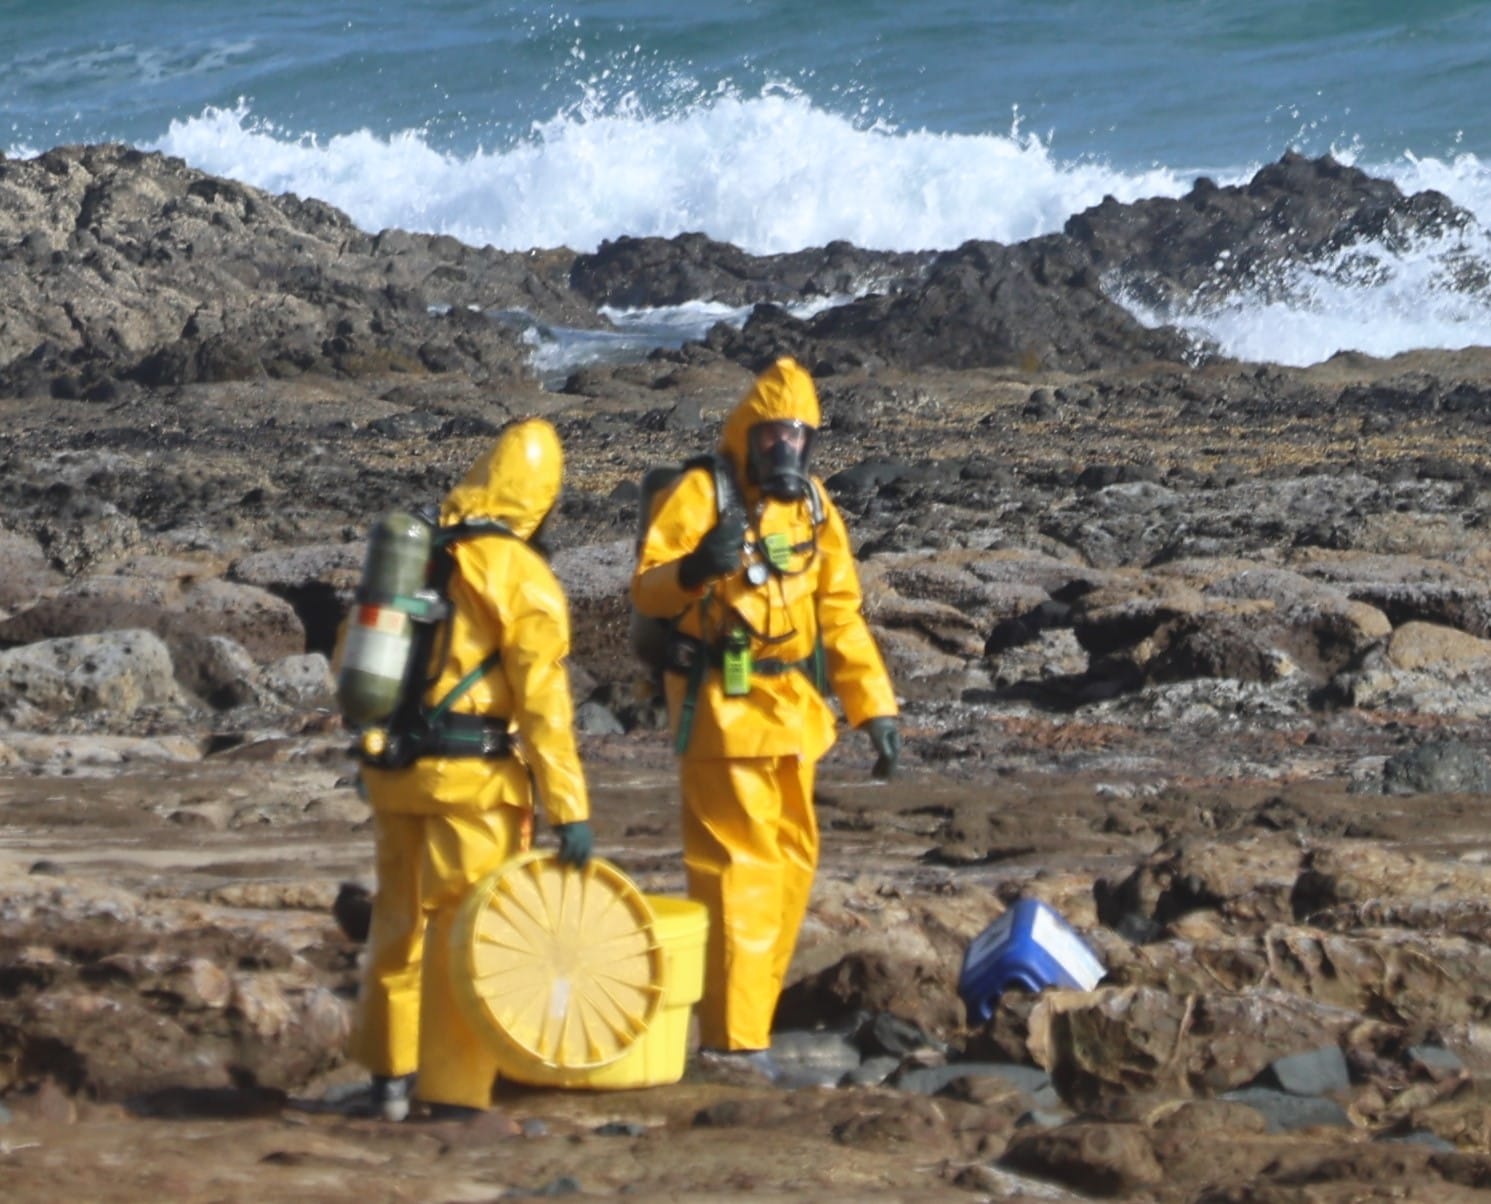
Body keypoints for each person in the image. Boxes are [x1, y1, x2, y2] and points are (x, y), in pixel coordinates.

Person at [631, 356, 901, 1074]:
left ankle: (746, 1023)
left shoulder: (813, 507)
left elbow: (839, 614)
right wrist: (694, 569)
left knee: (789, 870)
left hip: (794, 717)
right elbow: (649, 589)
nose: (784, 446)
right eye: (772, 434)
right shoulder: (701, 493)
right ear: (746, 434)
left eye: (797, 435)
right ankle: (733, 1042)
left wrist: (874, 707)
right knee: (737, 876)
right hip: (722, 713)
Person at [349, 418, 594, 1121]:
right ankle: (453, 1093)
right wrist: (569, 810)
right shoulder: (521, 575)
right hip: (473, 785)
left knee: (396, 926)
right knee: (467, 934)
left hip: (396, 773)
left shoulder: (418, 554)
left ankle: (389, 1081)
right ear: (541, 498)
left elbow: (353, 656)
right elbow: (544, 705)